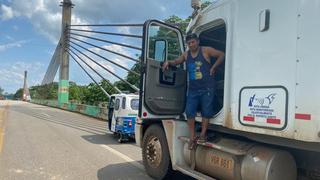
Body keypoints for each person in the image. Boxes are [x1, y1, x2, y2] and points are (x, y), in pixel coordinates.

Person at [162, 33, 224, 149]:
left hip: (207, 88)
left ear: (198, 41)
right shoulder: (186, 55)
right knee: (189, 112)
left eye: (193, 42)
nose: (191, 45)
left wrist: (213, 67)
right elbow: (177, 61)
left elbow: (221, 55)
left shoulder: (206, 50)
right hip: (193, 90)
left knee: (206, 112)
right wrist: (168, 62)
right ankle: (192, 136)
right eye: (189, 43)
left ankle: (202, 135)